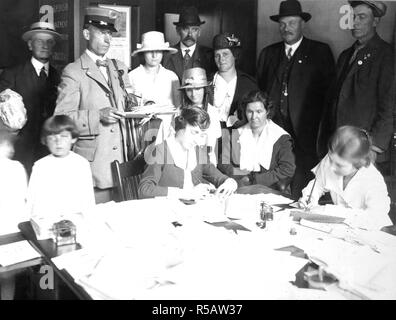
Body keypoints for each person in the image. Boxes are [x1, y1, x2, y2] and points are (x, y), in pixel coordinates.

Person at [256, 0, 335, 198]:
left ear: (302, 24)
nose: (286, 28)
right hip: (274, 132)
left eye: (292, 23)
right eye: (282, 24)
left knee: (303, 191)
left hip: (306, 135)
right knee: (270, 188)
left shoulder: (320, 52)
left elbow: (329, 97)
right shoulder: (268, 54)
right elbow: (260, 93)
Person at [54, 6, 132, 203]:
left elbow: (130, 103)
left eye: (109, 34)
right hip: (95, 169)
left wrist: (145, 106)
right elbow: (61, 119)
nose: (107, 40)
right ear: (87, 33)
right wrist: (98, 115)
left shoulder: (120, 68)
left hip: (125, 166)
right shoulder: (73, 72)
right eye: (101, 33)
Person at [318, 1, 394, 173]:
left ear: (375, 21)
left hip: (364, 151)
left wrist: (374, 147)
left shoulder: (386, 55)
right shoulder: (346, 55)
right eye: (353, 17)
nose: (355, 22)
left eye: (362, 17)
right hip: (340, 147)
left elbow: (389, 106)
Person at [300, 126, 391, 231]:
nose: (332, 167)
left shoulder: (373, 180)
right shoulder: (332, 160)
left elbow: (377, 218)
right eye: (330, 159)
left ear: (358, 163)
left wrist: (334, 211)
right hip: (336, 228)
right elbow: (318, 184)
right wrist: (309, 198)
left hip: (366, 233)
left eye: (339, 165)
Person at [0, 22, 61, 175]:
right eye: (39, 41)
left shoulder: (59, 76)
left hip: (49, 149)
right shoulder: (12, 74)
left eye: (49, 42)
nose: (44, 45)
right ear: (29, 45)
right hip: (20, 151)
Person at [139, 106, 237, 199]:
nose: (198, 141)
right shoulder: (160, 151)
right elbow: (144, 190)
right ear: (181, 126)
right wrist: (186, 192)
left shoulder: (197, 152)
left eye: (202, 135)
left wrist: (229, 182)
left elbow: (217, 176)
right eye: (194, 132)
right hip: (168, 211)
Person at [27, 115, 95, 238]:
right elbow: (32, 201)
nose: (58, 142)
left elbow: (88, 201)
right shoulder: (40, 166)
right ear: (45, 141)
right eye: (52, 138)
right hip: (47, 223)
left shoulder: (81, 163)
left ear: (73, 138)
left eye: (63, 136)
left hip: (75, 222)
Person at [218, 90, 295, 190]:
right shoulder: (237, 134)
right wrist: (241, 176)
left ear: (267, 111)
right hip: (240, 185)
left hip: (270, 188)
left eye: (259, 111)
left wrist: (255, 180)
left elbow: (287, 169)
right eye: (250, 112)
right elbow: (223, 162)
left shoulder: (281, 137)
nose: (254, 117)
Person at [212, 32, 258, 129]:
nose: (221, 59)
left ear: (235, 55)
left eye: (225, 54)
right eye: (217, 55)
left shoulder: (249, 84)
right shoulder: (207, 82)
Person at [162, 6, 215, 82]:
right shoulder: (166, 55)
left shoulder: (209, 55)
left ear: (199, 32)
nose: (190, 34)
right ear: (178, 31)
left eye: (194, 29)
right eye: (185, 29)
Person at [129, 31, 180, 107]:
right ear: (143, 53)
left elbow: (178, 106)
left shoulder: (172, 76)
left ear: (163, 52)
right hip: (140, 118)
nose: (154, 55)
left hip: (167, 118)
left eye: (158, 51)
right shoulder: (132, 76)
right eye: (150, 51)